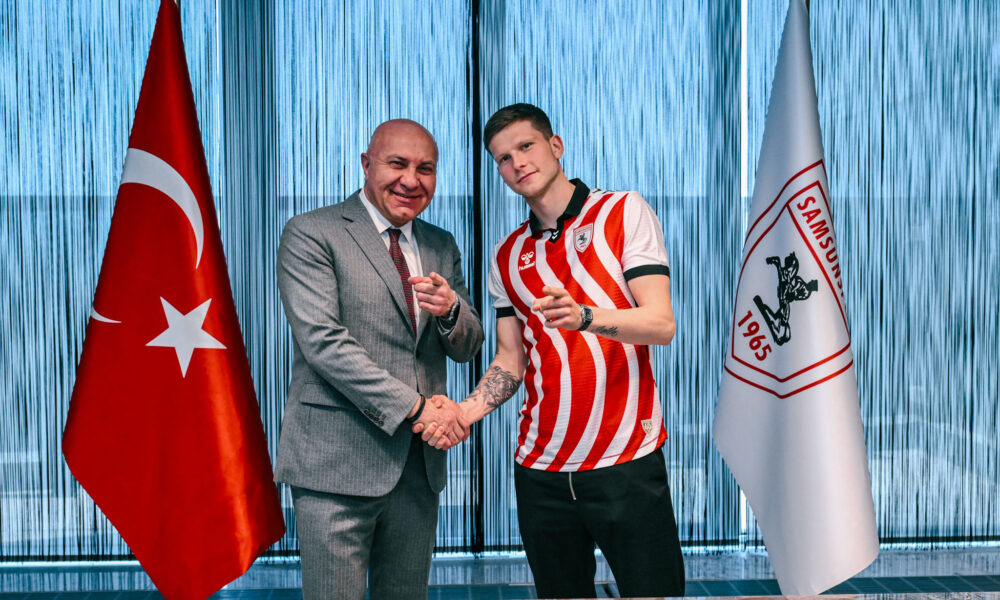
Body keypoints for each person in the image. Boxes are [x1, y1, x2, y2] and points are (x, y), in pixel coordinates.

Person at [419, 103, 685, 598]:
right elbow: (510, 360)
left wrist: (585, 316)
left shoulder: (623, 211)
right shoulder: (506, 255)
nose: (516, 162)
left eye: (526, 146)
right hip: (540, 467)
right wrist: (464, 412)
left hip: (625, 458)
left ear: (555, 146)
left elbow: (660, 324)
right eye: (503, 158)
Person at [275, 118, 484, 600]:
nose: (411, 180)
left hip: (418, 467)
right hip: (336, 464)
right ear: (366, 164)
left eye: (425, 169)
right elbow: (324, 343)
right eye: (397, 164)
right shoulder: (312, 232)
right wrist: (418, 409)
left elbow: (468, 345)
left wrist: (452, 310)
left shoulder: (441, 244)